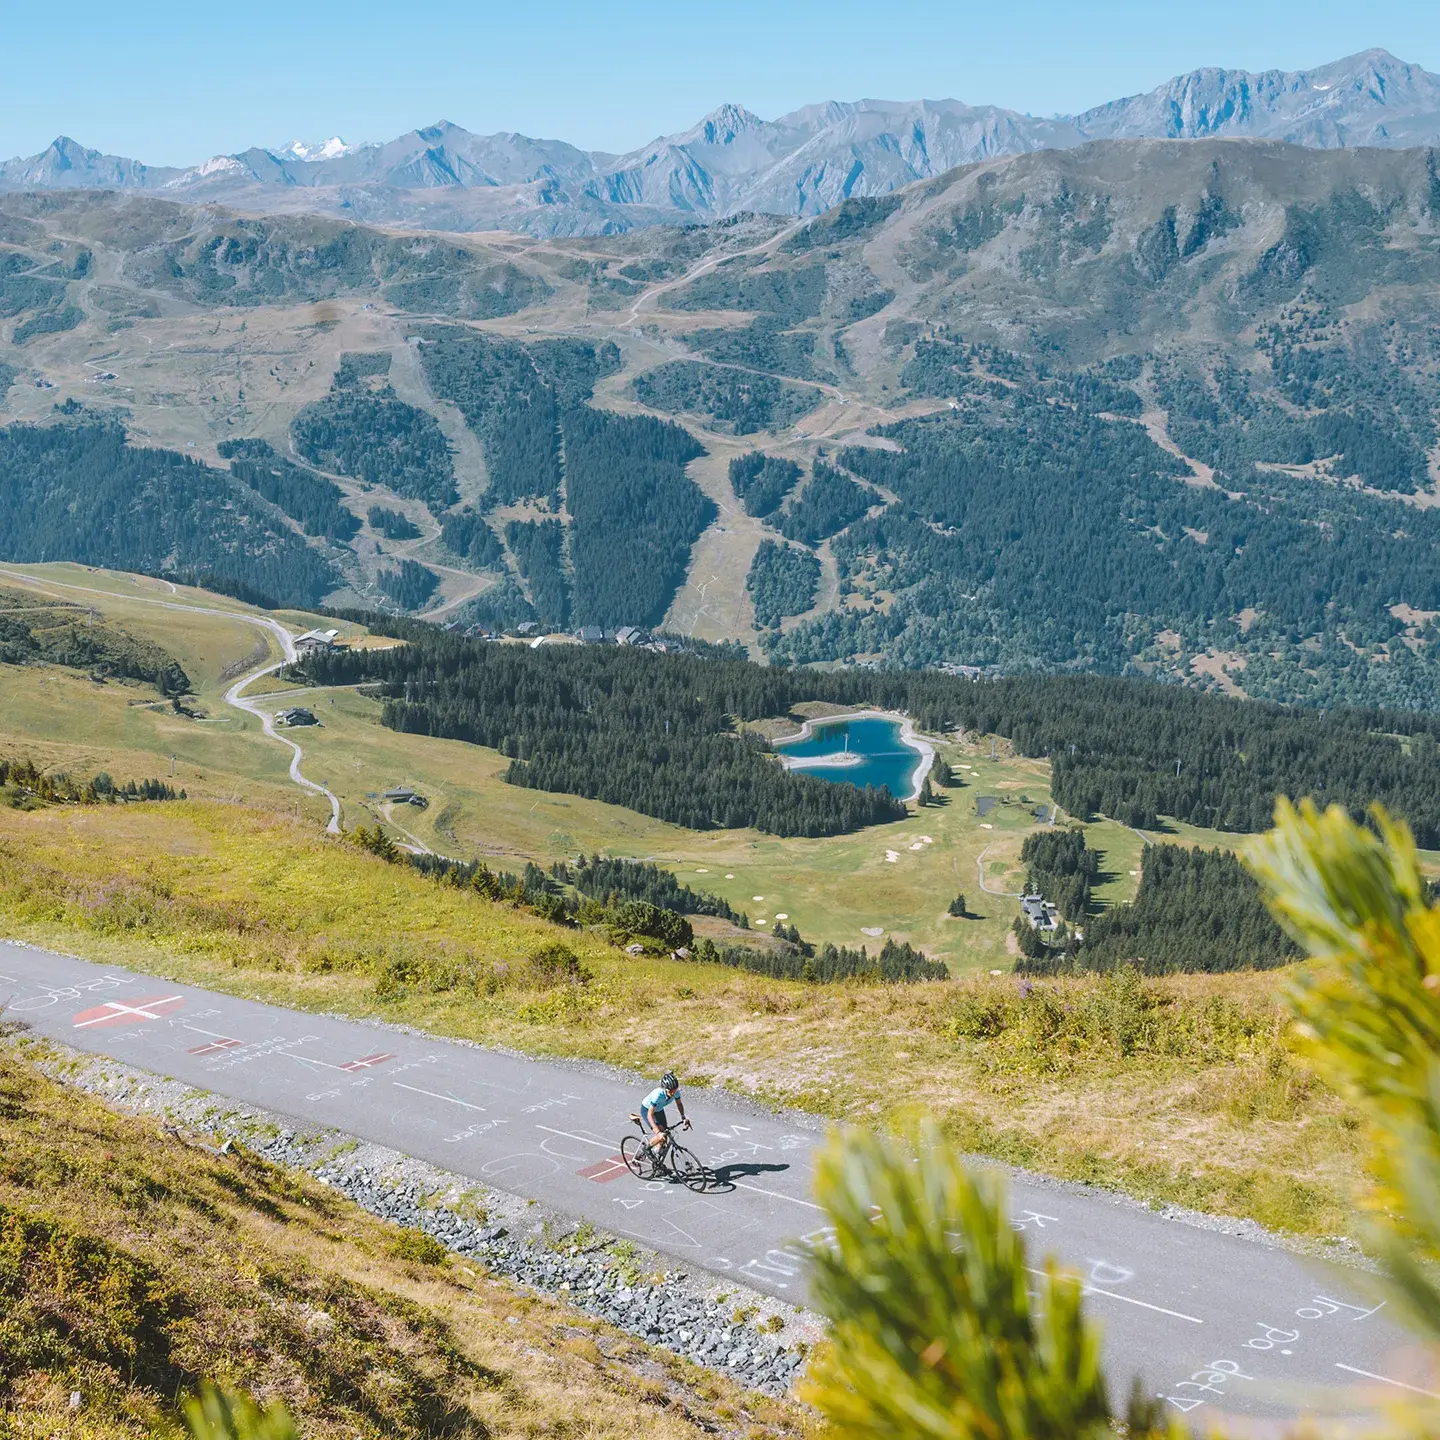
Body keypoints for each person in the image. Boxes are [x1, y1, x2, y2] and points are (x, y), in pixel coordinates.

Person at [639, 1071, 690, 1154]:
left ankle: (657, 1153)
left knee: (665, 1134)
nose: (674, 1093)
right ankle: (646, 1149)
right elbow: (649, 1114)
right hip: (647, 1110)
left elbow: (679, 1104)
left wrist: (683, 1117)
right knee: (660, 1135)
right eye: (671, 1091)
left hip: (659, 1110)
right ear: (666, 1090)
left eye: (675, 1090)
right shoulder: (658, 1095)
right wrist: (658, 1132)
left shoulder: (675, 1092)